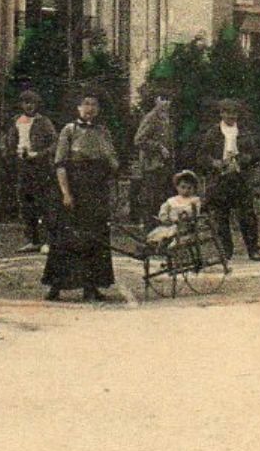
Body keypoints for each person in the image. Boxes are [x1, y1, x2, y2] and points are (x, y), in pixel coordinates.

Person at [43, 95, 120, 302]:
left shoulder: (103, 131)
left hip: (96, 189)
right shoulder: (69, 130)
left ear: (99, 109)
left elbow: (112, 159)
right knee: (67, 237)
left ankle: (91, 286)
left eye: (94, 104)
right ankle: (56, 286)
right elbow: (60, 164)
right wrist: (66, 193)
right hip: (75, 188)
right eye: (86, 104)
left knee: (96, 237)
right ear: (78, 108)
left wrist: (112, 164)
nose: (90, 108)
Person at [196, 99, 260, 261]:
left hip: (240, 178)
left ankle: (253, 250)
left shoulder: (244, 132)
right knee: (221, 216)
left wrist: (240, 161)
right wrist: (216, 163)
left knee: (247, 215)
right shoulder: (213, 133)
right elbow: (202, 156)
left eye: (234, 113)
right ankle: (226, 251)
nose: (231, 116)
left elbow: (254, 154)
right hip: (220, 180)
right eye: (227, 112)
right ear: (221, 114)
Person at [0, 90, 57, 253]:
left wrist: (39, 154)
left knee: (43, 203)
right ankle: (33, 240)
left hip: (40, 166)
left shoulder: (43, 122)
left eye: (32, 103)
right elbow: (8, 141)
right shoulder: (16, 121)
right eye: (26, 102)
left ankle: (47, 241)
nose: (29, 106)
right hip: (22, 166)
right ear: (21, 104)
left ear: (37, 105)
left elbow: (54, 144)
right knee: (26, 203)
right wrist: (11, 154)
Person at [130, 91, 175, 224]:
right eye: (163, 99)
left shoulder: (167, 118)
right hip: (152, 165)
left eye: (168, 100)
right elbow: (138, 140)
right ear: (156, 100)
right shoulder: (151, 117)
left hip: (165, 165)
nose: (166, 103)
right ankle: (150, 233)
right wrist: (159, 147)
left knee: (163, 200)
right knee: (151, 201)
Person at [147, 170, 204, 248]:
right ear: (177, 187)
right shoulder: (172, 200)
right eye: (183, 187)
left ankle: (171, 242)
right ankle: (160, 243)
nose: (186, 190)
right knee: (162, 232)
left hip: (187, 226)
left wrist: (187, 217)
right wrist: (165, 218)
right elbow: (164, 212)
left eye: (189, 188)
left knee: (177, 232)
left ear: (194, 188)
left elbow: (195, 213)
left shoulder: (195, 200)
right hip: (171, 225)